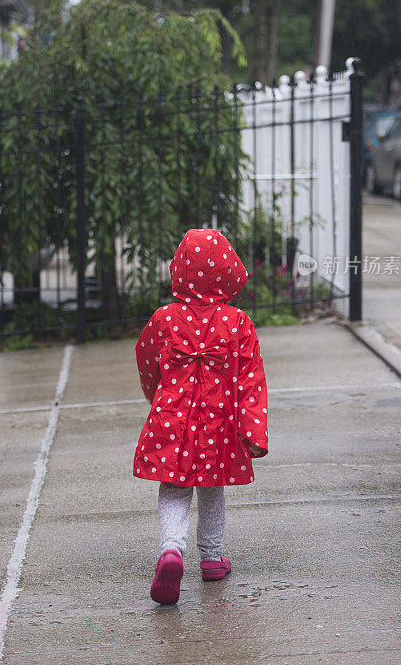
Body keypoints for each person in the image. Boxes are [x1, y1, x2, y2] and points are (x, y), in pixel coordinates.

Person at [133, 228, 268, 604]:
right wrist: (254, 430)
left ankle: (171, 550)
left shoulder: (163, 319)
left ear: (179, 270)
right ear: (229, 270)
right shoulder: (238, 323)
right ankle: (210, 558)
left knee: (175, 486)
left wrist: (155, 398)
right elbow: (251, 379)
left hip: (172, 417)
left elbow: (146, 362)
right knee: (213, 483)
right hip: (219, 421)